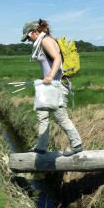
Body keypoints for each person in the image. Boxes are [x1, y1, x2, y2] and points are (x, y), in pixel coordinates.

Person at [21, 19, 83, 156]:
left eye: (28, 36)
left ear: (35, 31)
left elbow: (57, 59)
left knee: (60, 117)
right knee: (42, 115)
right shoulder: (40, 42)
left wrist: (49, 76)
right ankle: (41, 147)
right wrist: (46, 78)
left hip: (58, 85)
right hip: (48, 86)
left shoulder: (46, 40)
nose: (28, 40)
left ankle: (77, 144)